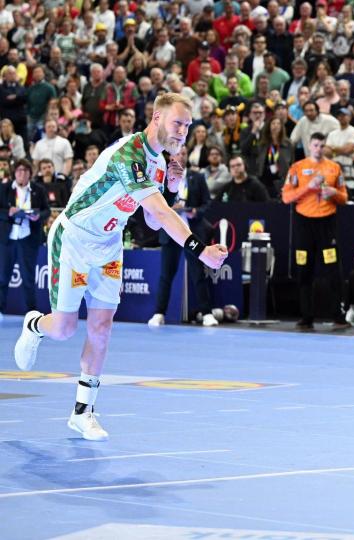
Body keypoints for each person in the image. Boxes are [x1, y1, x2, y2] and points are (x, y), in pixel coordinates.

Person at [13, 93, 228, 441]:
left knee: (101, 327)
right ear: (157, 118)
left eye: (188, 126)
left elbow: (152, 222)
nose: (183, 132)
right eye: (178, 123)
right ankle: (35, 325)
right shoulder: (129, 153)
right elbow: (159, 215)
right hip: (75, 239)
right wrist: (199, 250)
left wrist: (171, 187)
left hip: (109, 246)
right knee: (65, 328)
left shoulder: (160, 162)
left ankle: (83, 411)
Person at [282, 132, 349, 331]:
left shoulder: (334, 168)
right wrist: (309, 188)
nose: (319, 149)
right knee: (304, 270)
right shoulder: (297, 168)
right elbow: (287, 197)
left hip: (327, 224)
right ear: (309, 146)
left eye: (322, 145)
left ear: (325, 147)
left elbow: (344, 197)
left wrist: (335, 193)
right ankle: (306, 317)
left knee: (333, 271)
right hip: (304, 224)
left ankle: (338, 316)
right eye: (315, 145)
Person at [148, 146, 217, 328]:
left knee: (197, 273)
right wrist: (171, 206)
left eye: (185, 153)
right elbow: (157, 204)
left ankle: (207, 313)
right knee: (166, 275)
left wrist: (196, 212)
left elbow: (207, 203)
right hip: (170, 232)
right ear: (171, 156)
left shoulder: (198, 177)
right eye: (179, 152)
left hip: (191, 232)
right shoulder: (161, 177)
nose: (182, 155)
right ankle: (159, 313)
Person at [0, 160, 50, 319]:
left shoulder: (38, 190)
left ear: (30, 173)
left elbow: (47, 211)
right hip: (7, 239)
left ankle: (32, 315)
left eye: (25, 170)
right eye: (19, 170)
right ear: (15, 173)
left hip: (28, 238)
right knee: (2, 277)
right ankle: (0, 310)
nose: (22, 173)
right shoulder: (4, 188)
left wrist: (38, 216)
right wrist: (8, 211)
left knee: (28, 279)